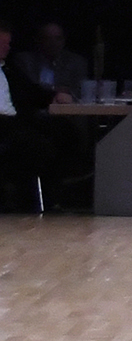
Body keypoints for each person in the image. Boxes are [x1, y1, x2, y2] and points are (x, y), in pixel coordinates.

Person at [0, 18, 57, 211]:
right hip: (3, 124)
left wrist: (55, 95)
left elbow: (31, 91)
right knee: (32, 144)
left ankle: (56, 198)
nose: (7, 48)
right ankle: (27, 201)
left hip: (14, 121)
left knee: (60, 130)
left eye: (8, 43)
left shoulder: (8, 69)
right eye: (2, 44)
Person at [27, 22, 88, 104]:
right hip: (35, 109)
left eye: (58, 38)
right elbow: (29, 89)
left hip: (66, 111)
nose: (53, 43)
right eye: (48, 38)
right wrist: (55, 89)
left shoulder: (75, 62)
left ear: (64, 40)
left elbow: (80, 91)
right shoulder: (27, 60)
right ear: (39, 40)